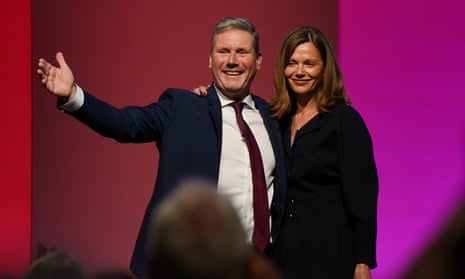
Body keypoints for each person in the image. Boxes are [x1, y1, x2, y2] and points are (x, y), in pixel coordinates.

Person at [36, 16, 287, 279]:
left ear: (258, 60)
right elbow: (124, 123)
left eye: (242, 52)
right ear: (210, 59)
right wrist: (73, 95)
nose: (232, 60)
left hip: (254, 267)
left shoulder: (275, 117)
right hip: (189, 265)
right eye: (223, 51)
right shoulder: (181, 106)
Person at [268, 26, 378, 279]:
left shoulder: (345, 121)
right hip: (283, 255)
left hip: (329, 253)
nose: (299, 71)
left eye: (309, 63)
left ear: (324, 69)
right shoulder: (277, 120)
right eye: (292, 63)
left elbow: (363, 195)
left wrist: (363, 260)